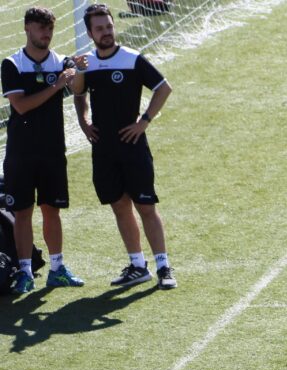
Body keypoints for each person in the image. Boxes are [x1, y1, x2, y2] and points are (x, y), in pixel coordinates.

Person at [71, 3, 176, 289]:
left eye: (108, 26)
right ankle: (137, 265)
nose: (106, 32)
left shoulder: (131, 59)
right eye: (100, 28)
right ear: (90, 32)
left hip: (133, 146)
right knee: (119, 205)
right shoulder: (86, 63)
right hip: (103, 149)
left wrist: (144, 121)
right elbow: (77, 93)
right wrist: (83, 121)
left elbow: (163, 87)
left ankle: (164, 266)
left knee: (146, 205)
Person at [2, 7, 84, 292]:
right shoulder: (12, 64)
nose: (46, 34)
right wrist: (57, 85)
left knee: (52, 210)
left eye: (49, 28)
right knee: (22, 213)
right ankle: (25, 271)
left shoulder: (63, 61)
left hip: (52, 151)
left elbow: (79, 90)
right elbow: (21, 106)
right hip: (20, 153)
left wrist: (81, 71)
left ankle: (58, 268)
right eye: (40, 28)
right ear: (27, 29)